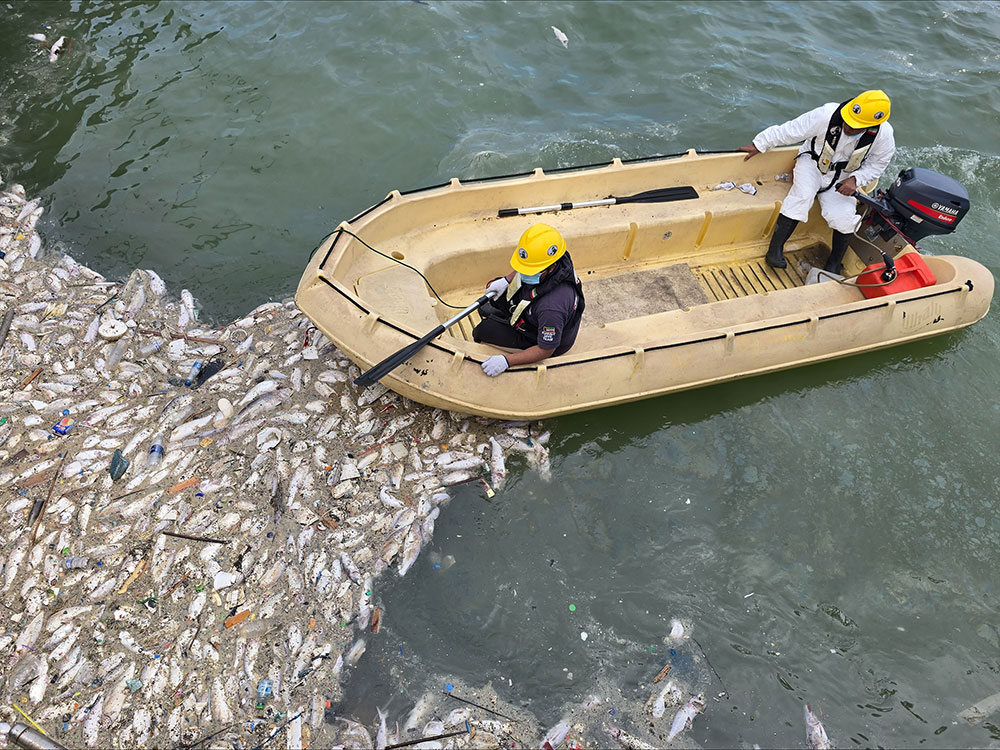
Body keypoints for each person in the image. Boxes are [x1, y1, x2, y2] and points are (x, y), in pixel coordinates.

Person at [739, 90, 896, 274]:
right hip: (812, 165)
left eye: (856, 127)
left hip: (844, 177)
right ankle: (774, 251)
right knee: (801, 197)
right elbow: (791, 130)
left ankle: (834, 263)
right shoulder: (826, 114)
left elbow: (878, 165)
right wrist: (759, 144)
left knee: (844, 218)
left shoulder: (884, 135)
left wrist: (856, 179)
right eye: (849, 122)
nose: (849, 128)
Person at [474, 223, 585, 377]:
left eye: (531, 271)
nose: (525, 273)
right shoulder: (558, 258)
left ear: (551, 267)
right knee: (492, 298)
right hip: (535, 307)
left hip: (544, 340)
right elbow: (527, 266)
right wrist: (506, 280)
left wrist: (507, 361)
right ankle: (508, 317)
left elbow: (545, 349)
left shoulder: (551, 309)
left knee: (484, 330)